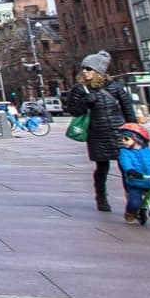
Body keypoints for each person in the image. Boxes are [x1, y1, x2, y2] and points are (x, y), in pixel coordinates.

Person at [61, 50, 140, 212]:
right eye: (84, 68)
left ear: (99, 71)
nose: (85, 71)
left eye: (89, 69)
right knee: (102, 168)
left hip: (120, 132)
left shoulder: (115, 87)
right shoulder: (80, 89)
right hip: (97, 134)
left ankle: (132, 198)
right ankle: (101, 197)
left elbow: (128, 110)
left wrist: (134, 130)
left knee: (126, 167)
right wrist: (85, 102)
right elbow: (74, 111)